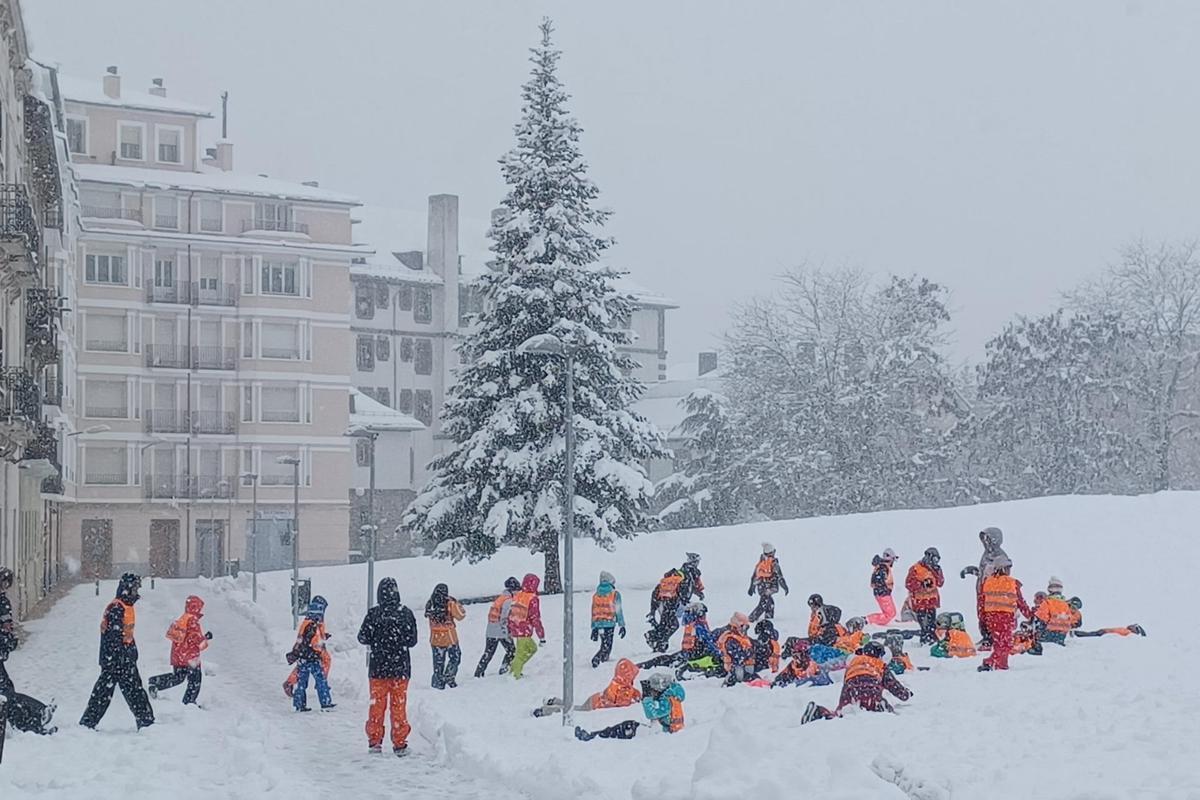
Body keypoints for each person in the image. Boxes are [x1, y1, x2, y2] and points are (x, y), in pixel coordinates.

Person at [79, 573, 155, 730]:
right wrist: (122, 655)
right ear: (127, 588)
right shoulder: (117, 608)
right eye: (135, 588)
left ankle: (88, 723)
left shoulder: (125, 606)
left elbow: (126, 634)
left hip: (121, 658)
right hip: (116, 659)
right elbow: (114, 637)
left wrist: (131, 651)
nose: (137, 591)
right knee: (121, 691)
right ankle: (146, 721)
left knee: (113, 691)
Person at [357, 577, 418, 756]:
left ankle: (374, 742)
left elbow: (362, 637)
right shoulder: (405, 613)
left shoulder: (374, 614)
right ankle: (400, 743)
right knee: (398, 706)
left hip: (378, 668)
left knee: (377, 705)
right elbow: (412, 640)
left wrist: (378, 640)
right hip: (400, 668)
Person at [0, 566, 56, 735]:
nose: (4, 587)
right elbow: (6, 628)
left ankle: (35, 716)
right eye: (3, 583)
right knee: (5, 695)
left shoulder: (2, 602)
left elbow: (6, 629)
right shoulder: (2, 603)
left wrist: (7, 641)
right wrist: (7, 641)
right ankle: (34, 719)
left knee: (5, 693)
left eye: (6, 584)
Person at [801, 641, 912, 723]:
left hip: (850, 688)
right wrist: (905, 694)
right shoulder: (879, 665)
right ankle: (881, 707)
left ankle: (820, 712)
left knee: (843, 713)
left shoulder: (853, 663)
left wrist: (841, 705)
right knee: (884, 712)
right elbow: (893, 686)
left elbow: (847, 682)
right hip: (871, 688)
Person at [574, 672, 684, 741]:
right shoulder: (672, 697)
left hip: (662, 736)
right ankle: (595, 735)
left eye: (653, 691)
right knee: (627, 726)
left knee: (626, 727)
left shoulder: (668, 701)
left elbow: (651, 714)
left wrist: (647, 697)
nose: (653, 694)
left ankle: (593, 737)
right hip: (663, 732)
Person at [148, 595, 211, 705]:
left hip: (178, 655)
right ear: (196, 607)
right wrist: (206, 639)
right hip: (190, 657)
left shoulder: (183, 618)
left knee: (178, 677)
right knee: (195, 680)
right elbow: (196, 640)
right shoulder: (193, 620)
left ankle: (155, 683)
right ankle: (189, 702)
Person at [534, 658, 642, 717]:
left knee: (575, 707)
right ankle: (547, 710)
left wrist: (636, 693)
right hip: (595, 705)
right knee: (571, 711)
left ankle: (555, 701)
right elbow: (622, 703)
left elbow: (630, 691)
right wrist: (633, 703)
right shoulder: (621, 689)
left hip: (595, 699)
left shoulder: (618, 682)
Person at [960, 527, 1010, 648]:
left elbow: (1001, 573)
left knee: (990, 616)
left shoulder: (1000, 555)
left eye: (988, 538)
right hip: (982, 590)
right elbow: (985, 572)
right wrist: (973, 571)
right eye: (984, 539)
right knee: (982, 615)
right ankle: (986, 637)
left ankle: (991, 637)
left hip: (992, 593)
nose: (985, 541)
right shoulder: (986, 554)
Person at [978, 560, 1032, 672]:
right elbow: (1020, 602)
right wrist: (1030, 615)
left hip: (991, 618)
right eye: (1008, 568)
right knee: (1006, 643)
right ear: (1003, 568)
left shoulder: (987, 582)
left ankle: (1002, 665)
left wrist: (982, 618)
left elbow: (981, 602)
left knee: (1000, 642)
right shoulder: (1012, 583)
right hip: (1005, 618)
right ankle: (990, 662)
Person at [645, 554, 704, 653]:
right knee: (673, 624)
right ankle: (657, 639)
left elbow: (659, 588)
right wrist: (685, 599)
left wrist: (653, 609)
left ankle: (657, 641)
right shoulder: (689, 573)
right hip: (672, 602)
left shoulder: (680, 572)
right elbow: (687, 588)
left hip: (664, 601)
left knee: (666, 623)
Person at [289, 596, 335, 711]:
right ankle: (326, 703)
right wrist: (319, 649)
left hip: (303, 658)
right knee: (321, 680)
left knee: (301, 683)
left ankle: (299, 704)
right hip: (313, 659)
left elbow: (302, 640)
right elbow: (315, 643)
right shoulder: (314, 625)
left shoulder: (306, 623)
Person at [476, 577, 520, 678]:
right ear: (512, 590)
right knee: (512, 651)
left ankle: (479, 672)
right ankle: (504, 668)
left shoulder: (501, 598)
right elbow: (504, 616)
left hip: (491, 629)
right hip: (501, 631)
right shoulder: (508, 601)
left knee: (488, 652)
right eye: (517, 590)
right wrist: (507, 632)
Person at [425, 583, 465, 690]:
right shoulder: (449, 603)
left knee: (438, 664)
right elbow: (461, 615)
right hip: (449, 638)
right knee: (455, 658)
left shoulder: (430, 604)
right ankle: (449, 676)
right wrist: (456, 603)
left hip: (435, 639)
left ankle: (437, 683)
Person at [905, 548, 945, 644]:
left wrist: (938, 572)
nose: (935, 562)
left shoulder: (936, 569)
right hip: (920, 602)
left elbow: (940, 583)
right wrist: (921, 584)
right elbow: (908, 584)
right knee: (924, 624)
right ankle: (925, 639)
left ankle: (932, 638)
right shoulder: (915, 568)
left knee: (932, 623)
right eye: (934, 559)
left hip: (932, 601)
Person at [508, 574, 544, 679]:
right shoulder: (532, 598)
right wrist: (541, 634)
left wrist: (510, 627)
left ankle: (514, 668)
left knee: (530, 648)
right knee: (522, 652)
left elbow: (511, 612)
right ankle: (515, 674)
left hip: (516, 627)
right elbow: (535, 618)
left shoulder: (518, 595)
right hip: (524, 629)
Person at [590, 571, 626, 668]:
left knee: (604, 642)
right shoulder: (614, 594)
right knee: (607, 644)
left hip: (598, 623)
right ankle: (598, 658)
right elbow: (618, 610)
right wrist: (622, 625)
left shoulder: (596, 595)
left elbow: (593, 610)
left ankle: (603, 658)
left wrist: (594, 627)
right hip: (609, 623)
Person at [1067, 597, 1148, 638]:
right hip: (1106, 632)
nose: (1132, 626)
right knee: (1090, 634)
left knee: (1091, 635)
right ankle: (1074, 634)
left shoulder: (1129, 634)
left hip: (1106, 633)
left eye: (1134, 627)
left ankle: (1074, 634)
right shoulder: (1126, 631)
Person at [747, 543, 789, 622]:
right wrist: (785, 587)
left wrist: (751, 587)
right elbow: (780, 577)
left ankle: (768, 619)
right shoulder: (773, 563)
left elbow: (754, 576)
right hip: (769, 587)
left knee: (769, 603)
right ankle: (751, 619)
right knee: (764, 604)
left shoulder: (760, 563)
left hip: (760, 586)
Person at [1032, 577, 1079, 646]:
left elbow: (1041, 619)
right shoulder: (1065, 605)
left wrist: (1037, 633)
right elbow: (1070, 620)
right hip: (1061, 636)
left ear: (1050, 589)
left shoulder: (1047, 603)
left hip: (1047, 635)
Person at [717, 612, 756, 686]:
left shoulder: (742, 638)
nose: (745, 629)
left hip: (747, 669)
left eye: (747, 627)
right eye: (744, 626)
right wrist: (748, 653)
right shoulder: (730, 639)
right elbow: (737, 657)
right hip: (736, 670)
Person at [866, 548, 899, 626]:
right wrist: (884, 588)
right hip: (883, 593)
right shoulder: (883, 568)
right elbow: (879, 580)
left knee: (891, 613)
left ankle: (869, 620)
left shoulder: (881, 566)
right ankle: (868, 620)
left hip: (882, 592)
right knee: (890, 613)